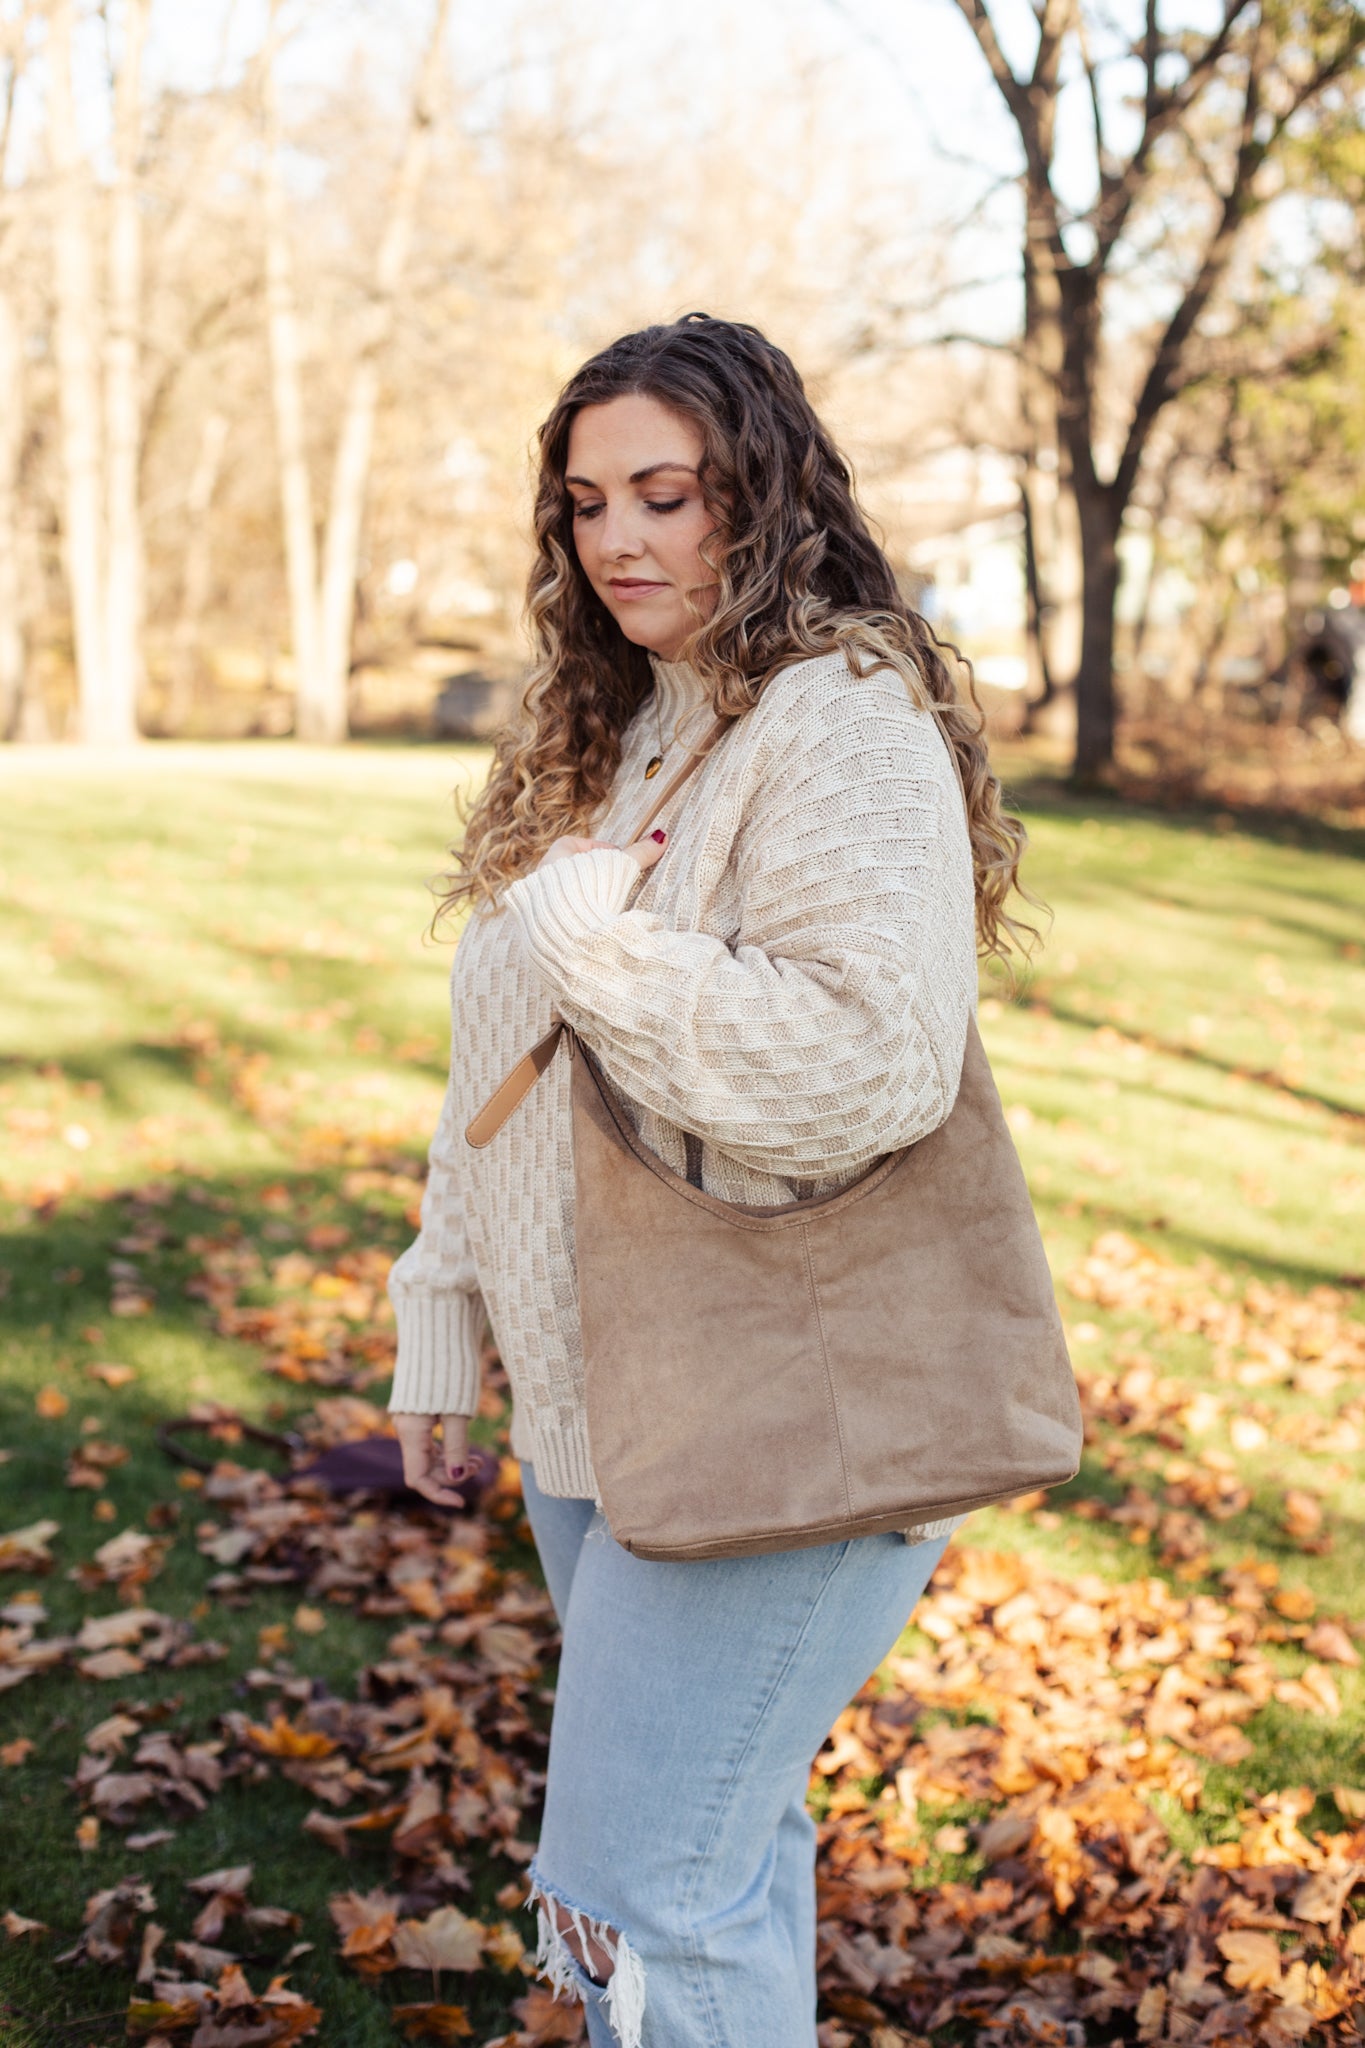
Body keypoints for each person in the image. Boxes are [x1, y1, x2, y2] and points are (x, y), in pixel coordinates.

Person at [389, 312, 1032, 2048]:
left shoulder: (843, 723)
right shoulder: (621, 728)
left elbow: (865, 1067)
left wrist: (602, 946)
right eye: (586, 502)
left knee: (632, 1896)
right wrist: (442, 1320)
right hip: (607, 1400)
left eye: (663, 496)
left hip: (787, 1402)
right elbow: (502, 1069)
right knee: (712, 1861)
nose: (617, 540)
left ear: (763, 494)